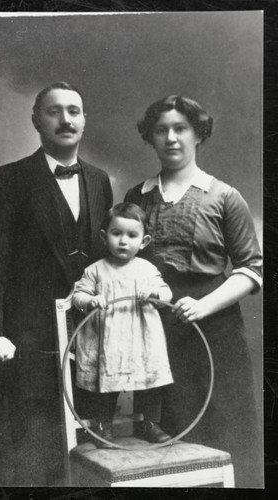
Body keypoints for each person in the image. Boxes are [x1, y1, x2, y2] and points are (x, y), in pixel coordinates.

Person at [0, 81, 113, 485]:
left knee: (91, 454)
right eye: (54, 111)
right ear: (35, 121)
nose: (66, 119)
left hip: (87, 336)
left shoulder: (99, 180)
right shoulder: (8, 179)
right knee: (34, 456)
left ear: (84, 120)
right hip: (28, 338)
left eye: (74, 111)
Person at [124, 95, 263, 488]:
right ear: (150, 137)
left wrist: (203, 306)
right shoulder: (137, 198)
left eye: (180, 128)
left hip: (214, 334)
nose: (171, 137)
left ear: (198, 134)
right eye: (162, 129)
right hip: (158, 335)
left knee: (225, 440)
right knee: (166, 446)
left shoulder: (224, 197)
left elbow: (252, 269)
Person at [72, 202, 174, 447]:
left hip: (142, 338)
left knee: (149, 384)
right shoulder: (95, 270)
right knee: (106, 385)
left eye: (132, 235)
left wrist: (155, 294)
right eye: (116, 234)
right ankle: (103, 426)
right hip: (108, 339)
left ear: (144, 241)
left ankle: (150, 424)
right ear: (104, 236)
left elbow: (167, 294)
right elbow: (77, 296)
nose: (123, 241)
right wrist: (91, 300)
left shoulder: (148, 269)